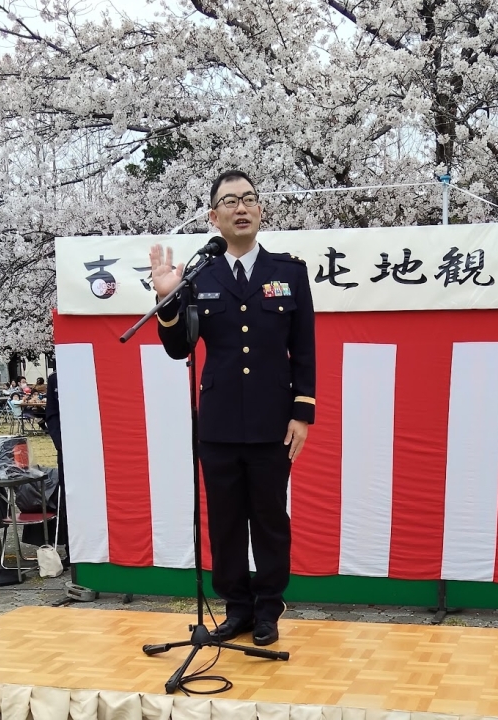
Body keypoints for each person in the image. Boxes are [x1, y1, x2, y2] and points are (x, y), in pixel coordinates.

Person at [151, 169, 316, 647]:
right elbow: (178, 348)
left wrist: (302, 412)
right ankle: (237, 609)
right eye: (230, 201)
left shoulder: (288, 272)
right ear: (213, 216)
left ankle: (268, 609)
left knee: (269, 520)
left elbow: (304, 348)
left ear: (260, 209)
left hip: (272, 423)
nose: (241, 208)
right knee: (224, 523)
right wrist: (166, 298)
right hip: (219, 424)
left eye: (249, 198)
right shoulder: (200, 274)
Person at [45, 372, 69, 563]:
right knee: (69, 498)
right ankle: (72, 550)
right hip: (66, 450)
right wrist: (60, 443)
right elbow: (52, 414)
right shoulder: (56, 378)